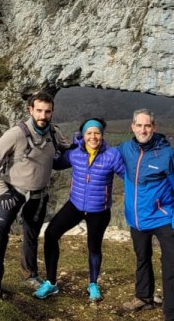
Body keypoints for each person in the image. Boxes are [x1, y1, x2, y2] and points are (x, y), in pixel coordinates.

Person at [0, 91, 68, 298]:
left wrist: (84, 145)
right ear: (30, 110)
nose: (43, 116)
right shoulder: (16, 134)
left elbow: (67, 152)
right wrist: (2, 192)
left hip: (39, 194)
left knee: (31, 234)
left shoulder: (54, 133)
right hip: (12, 191)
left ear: (52, 112)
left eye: (47, 111)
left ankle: (29, 274)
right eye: (39, 111)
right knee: (0, 230)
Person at [118, 108, 174, 321]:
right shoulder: (125, 149)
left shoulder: (168, 155)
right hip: (137, 219)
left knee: (173, 268)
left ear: (154, 127)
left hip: (164, 219)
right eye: (139, 126)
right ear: (132, 127)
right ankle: (144, 297)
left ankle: (172, 320)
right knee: (142, 258)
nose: (143, 130)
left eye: (147, 126)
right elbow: (103, 157)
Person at [34, 117, 125, 302]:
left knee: (93, 246)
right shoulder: (75, 153)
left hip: (99, 210)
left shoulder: (112, 155)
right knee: (51, 233)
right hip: (75, 205)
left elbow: (129, 176)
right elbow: (57, 163)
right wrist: (41, 152)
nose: (93, 136)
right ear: (83, 135)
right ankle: (50, 283)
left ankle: (93, 284)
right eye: (89, 133)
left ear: (102, 135)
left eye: (97, 133)